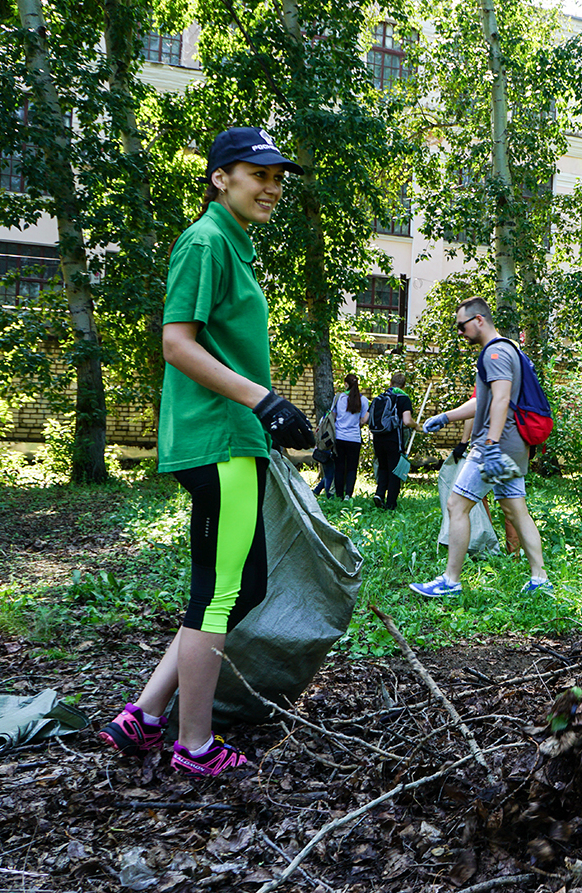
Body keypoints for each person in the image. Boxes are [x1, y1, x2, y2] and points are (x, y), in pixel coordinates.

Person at [98, 127, 313, 777]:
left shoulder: (234, 247)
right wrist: (263, 400)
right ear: (221, 177)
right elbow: (177, 343)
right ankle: (194, 746)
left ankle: (144, 715)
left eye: (279, 178)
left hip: (234, 437)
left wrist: (261, 411)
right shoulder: (206, 240)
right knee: (220, 595)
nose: (272, 187)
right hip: (218, 438)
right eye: (259, 174)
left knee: (232, 588)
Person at [408, 298, 548, 598]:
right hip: (514, 445)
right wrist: (446, 416)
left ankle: (450, 581)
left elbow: (500, 399)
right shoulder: (509, 348)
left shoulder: (494, 352)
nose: (460, 332)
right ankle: (540, 578)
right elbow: (484, 401)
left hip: (493, 445)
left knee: (456, 505)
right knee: (516, 510)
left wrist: (490, 444)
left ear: (479, 320)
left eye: (462, 326)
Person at [371, 371, 418, 510]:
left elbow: (366, 419)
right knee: (395, 471)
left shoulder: (379, 398)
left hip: (378, 439)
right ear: (403, 386)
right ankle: (391, 504)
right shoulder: (403, 399)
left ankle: (379, 494)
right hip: (393, 440)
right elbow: (407, 421)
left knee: (383, 467)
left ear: (390, 383)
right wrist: (417, 425)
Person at [332, 372, 370, 500]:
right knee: (352, 467)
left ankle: (338, 494)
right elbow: (363, 420)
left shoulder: (339, 398)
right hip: (354, 438)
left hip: (339, 437)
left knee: (339, 466)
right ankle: (348, 494)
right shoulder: (363, 400)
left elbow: (333, 416)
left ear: (346, 384)